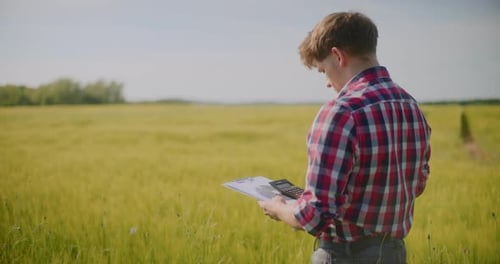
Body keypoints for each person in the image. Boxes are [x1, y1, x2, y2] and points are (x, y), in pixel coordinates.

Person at [258, 11, 431, 264]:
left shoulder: (341, 112)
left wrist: (278, 208)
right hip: (394, 254)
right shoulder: (410, 105)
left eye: (322, 70)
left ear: (338, 56)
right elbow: (417, 183)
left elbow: (314, 216)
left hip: (344, 256)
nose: (327, 83)